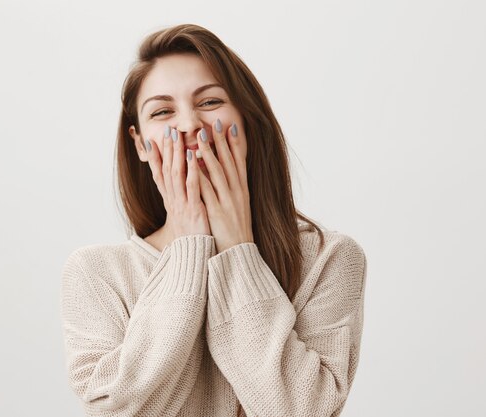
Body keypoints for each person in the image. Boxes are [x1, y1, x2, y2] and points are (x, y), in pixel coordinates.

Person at [60, 23, 367, 417]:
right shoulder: (96, 273)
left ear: (248, 120)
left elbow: (303, 410)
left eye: (209, 103)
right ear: (139, 143)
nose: (189, 126)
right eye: (163, 111)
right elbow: (121, 411)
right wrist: (188, 247)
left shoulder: (328, 259)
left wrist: (238, 249)